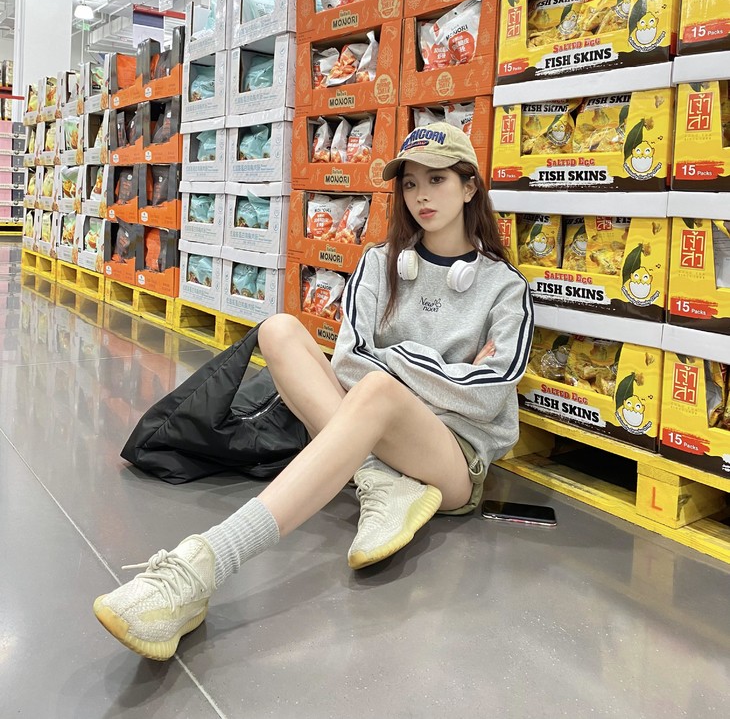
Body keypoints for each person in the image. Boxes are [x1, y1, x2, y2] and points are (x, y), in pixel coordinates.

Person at [93, 122, 534, 660]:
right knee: (278, 329)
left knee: (376, 389)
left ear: (469, 187)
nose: (421, 196)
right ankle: (379, 479)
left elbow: (489, 394)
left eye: (437, 180)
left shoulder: (504, 288)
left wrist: (391, 368)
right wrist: (446, 373)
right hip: (373, 426)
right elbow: (347, 361)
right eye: (410, 183)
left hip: (451, 462)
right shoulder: (380, 263)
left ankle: (201, 567)